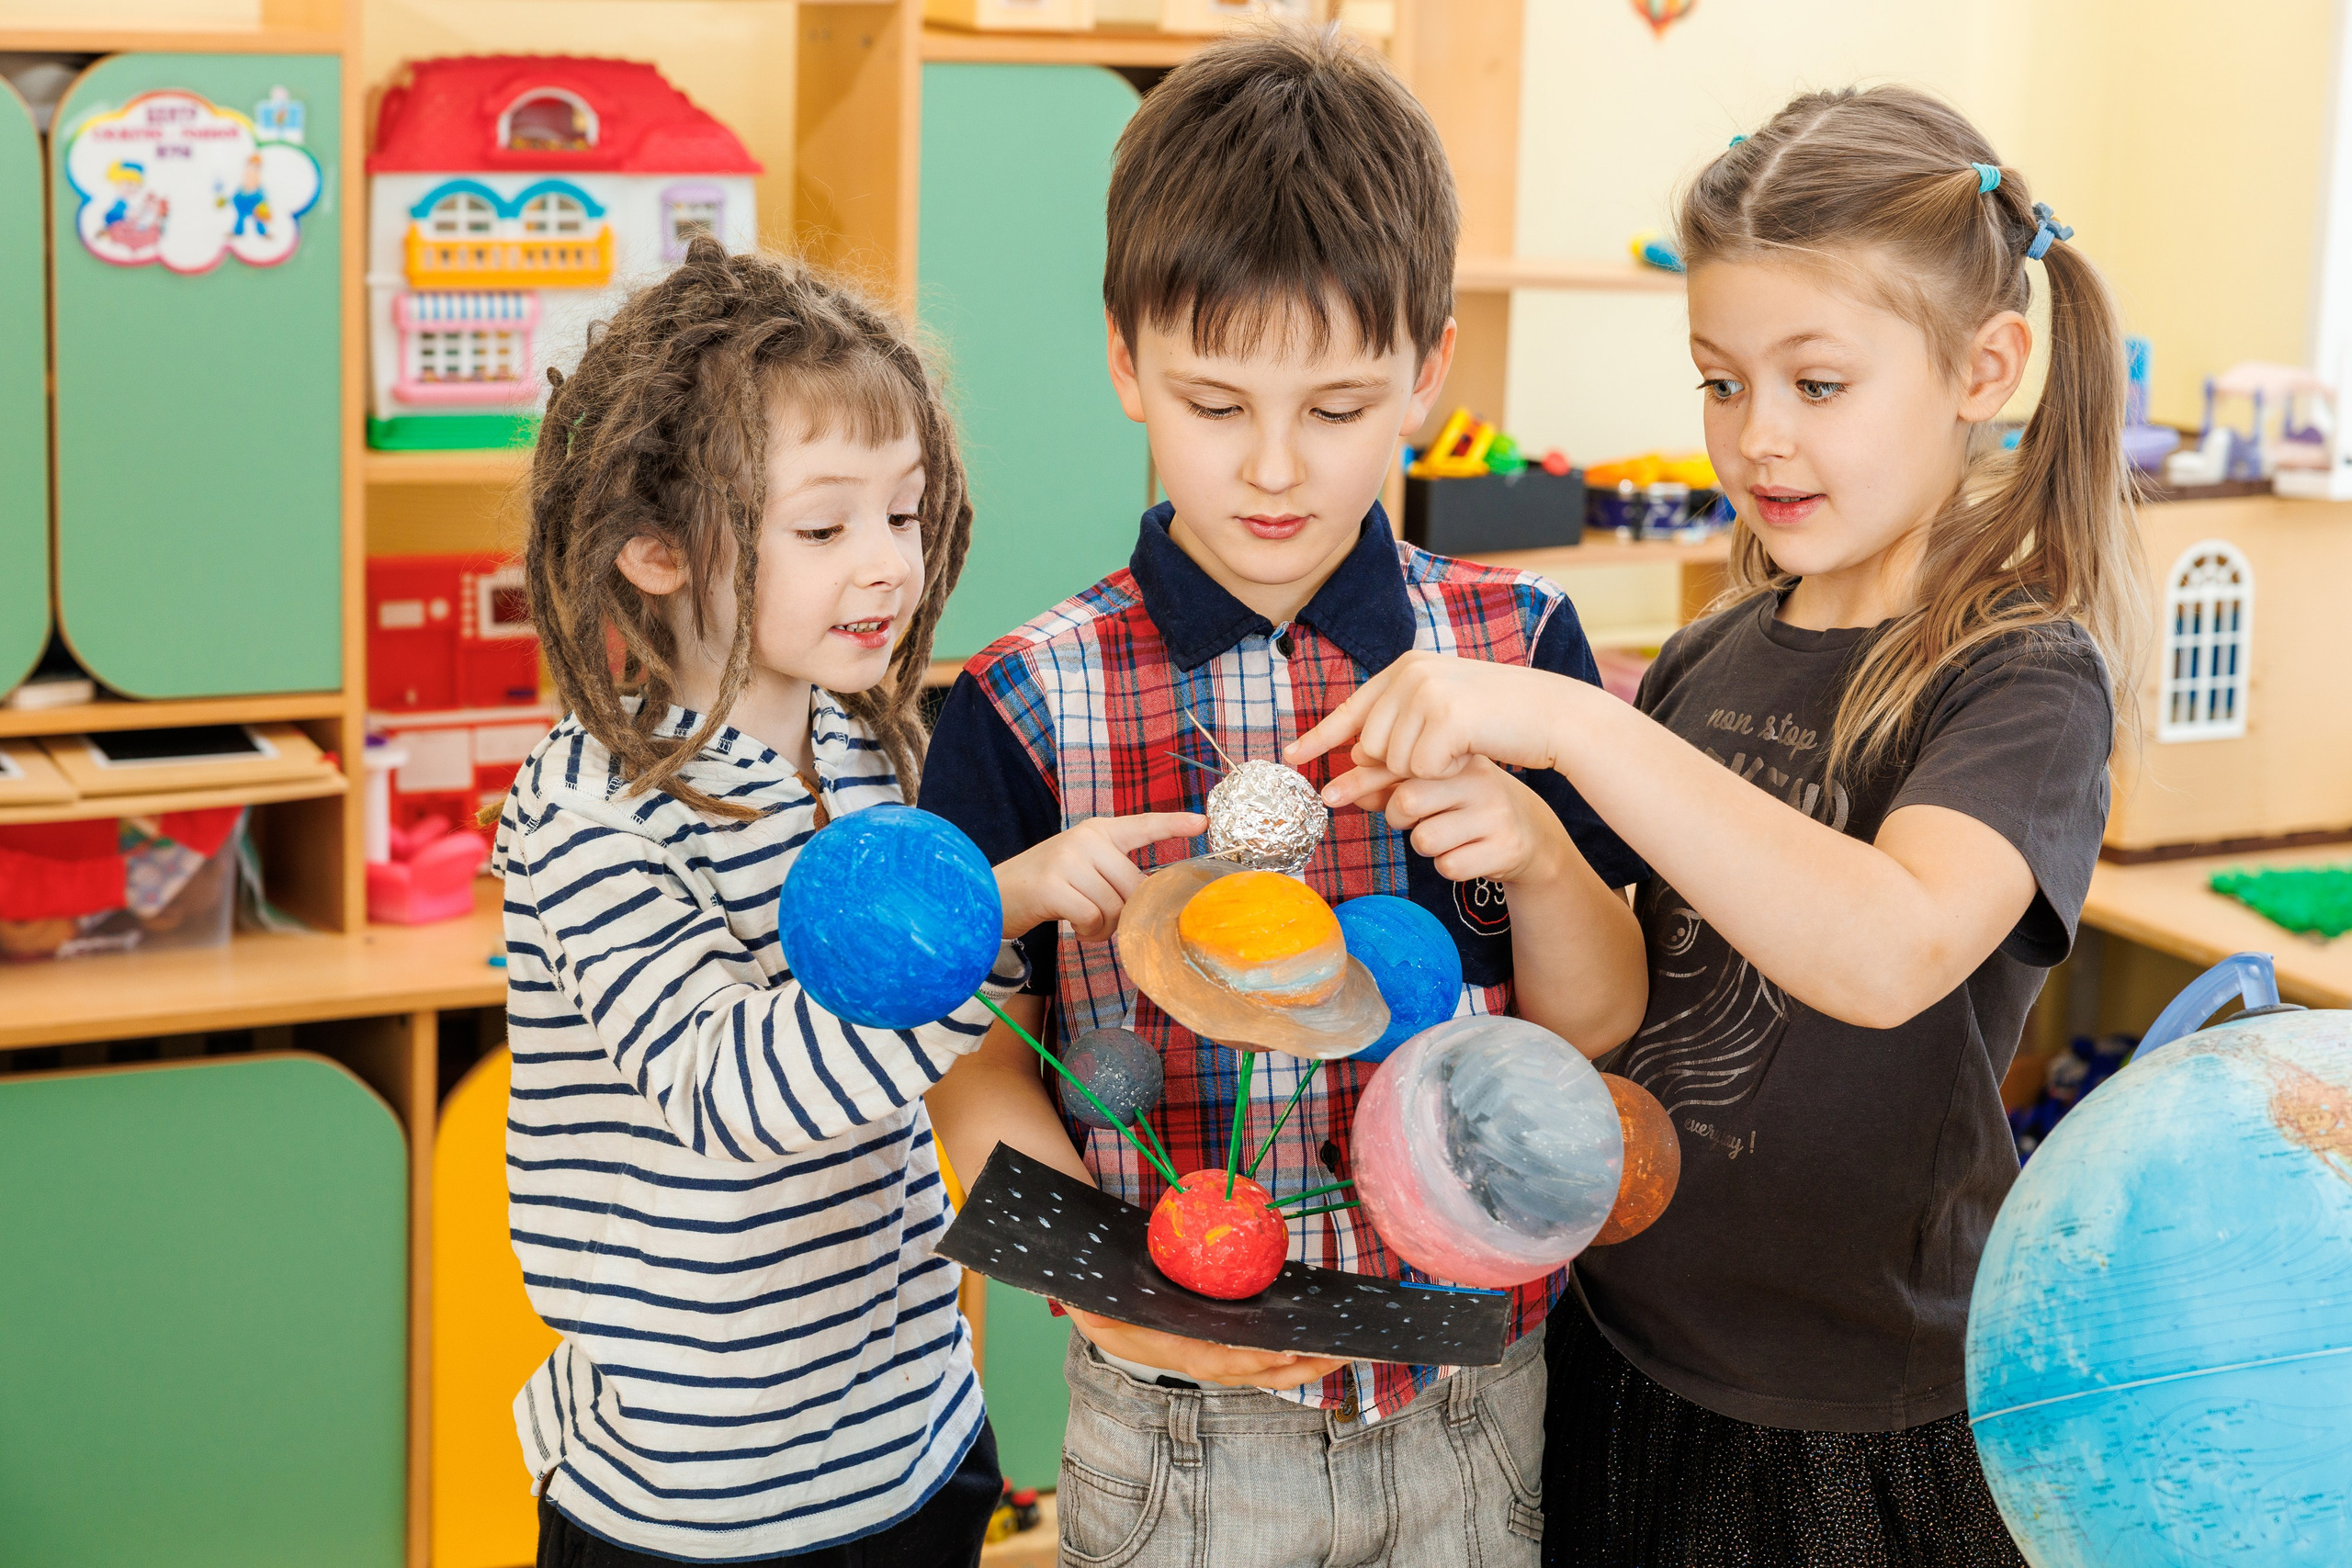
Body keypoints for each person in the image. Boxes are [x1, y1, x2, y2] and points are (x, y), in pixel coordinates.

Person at [1286, 85, 2141, 1568]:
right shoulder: (1717, 651)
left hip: (1857, 1416)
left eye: (1818, 384)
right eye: (1720, 382)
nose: (1759, 438)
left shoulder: (2026, 682)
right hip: (1625, 1357)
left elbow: (1885, 950)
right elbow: (1613, 1005)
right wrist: (1537, 850)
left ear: (1984, 368)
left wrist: (1576, 724)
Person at [918, 27, 1648, 1567]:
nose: (1271, 469)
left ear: (1429, 372)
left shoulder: (1527, 656)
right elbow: (969, 1059)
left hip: (1477, 1402)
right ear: (1124, 360)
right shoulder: (1016, 703)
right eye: (1212, 399)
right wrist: (1133, 1294)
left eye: (1335, 407)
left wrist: (1537, 857)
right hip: (1168, 1429)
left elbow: (1593, 1030)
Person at [493, 239, 1195, 1567]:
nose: (886, 567)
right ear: (654, 548)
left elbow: (933, 1062)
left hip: (916, 1442)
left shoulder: (874, 748)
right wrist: (1000, 906)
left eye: (905, 512)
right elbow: (737, 1092)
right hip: (703, 1501)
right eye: (823, 527)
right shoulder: (584, 813)